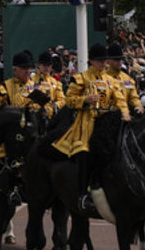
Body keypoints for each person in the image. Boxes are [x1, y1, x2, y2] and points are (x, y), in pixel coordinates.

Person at [54, 43, 127, 215]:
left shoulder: (112, 81)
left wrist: (125, 112)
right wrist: (84, 100)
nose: (103, 63)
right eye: (100, 60)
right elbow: (68, 100)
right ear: (92, 61)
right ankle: (82, 195)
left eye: (104, 60)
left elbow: (120, 98)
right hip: (86, 123)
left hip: (108, 123)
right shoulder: (81, 78)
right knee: (84, 153)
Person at [105, 44, 145, 118]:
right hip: (108, 116)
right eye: (116, 59)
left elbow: (134, 97)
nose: (119, 62)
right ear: (108, 60)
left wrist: (138, 105)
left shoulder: (127, 78)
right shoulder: (103, 77)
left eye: (120, 59)